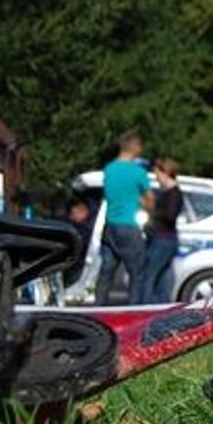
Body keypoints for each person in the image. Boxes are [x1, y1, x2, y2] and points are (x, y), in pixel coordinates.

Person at [96, 130, 152, 305]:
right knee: (137, 274)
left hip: (110, 225)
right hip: (129, 225)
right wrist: (143, 203)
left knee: (106, 272)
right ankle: (134, 310)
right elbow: (150, 201)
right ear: (134, 147)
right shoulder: (138, 172)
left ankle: (99, 307)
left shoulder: (109, 169)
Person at [142, 158, 184, 303]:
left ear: (165, 173)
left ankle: (144, 309)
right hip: (165, 239)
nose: (156, 178)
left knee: (148, 277)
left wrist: (152, 215)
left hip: (162, 239)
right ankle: (161, 308)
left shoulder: (173, 193)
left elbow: (169, 216)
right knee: (163, 280)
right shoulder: (168, 193)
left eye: (157, 174)